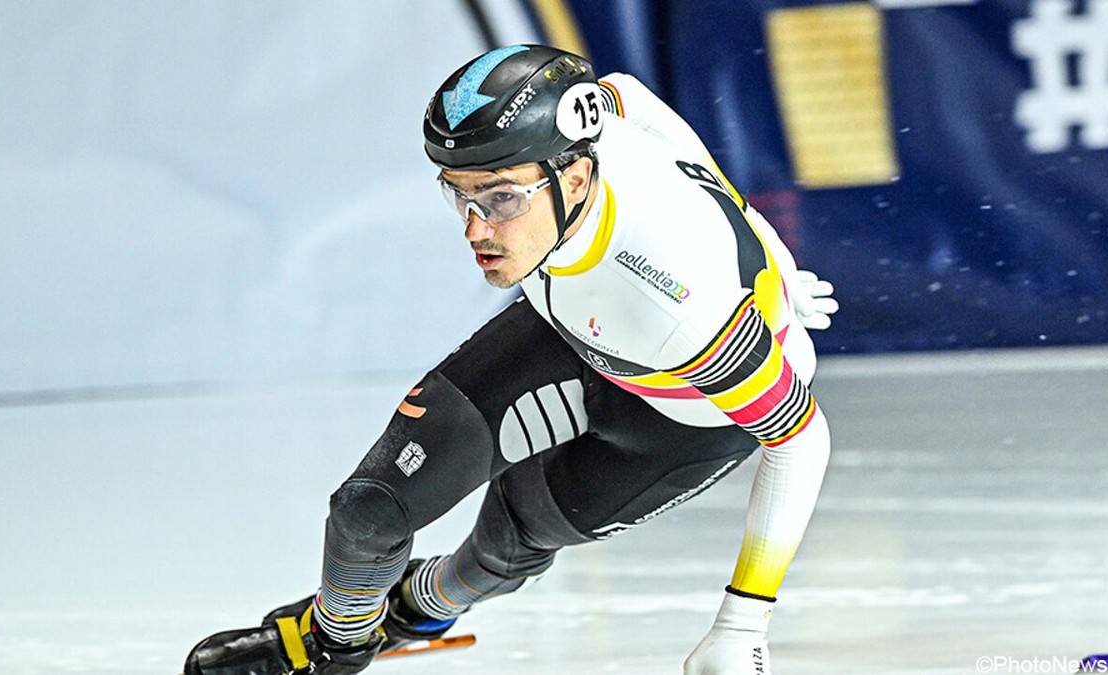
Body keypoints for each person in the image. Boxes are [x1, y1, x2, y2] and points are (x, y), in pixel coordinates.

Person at [184, 43, 838, 675]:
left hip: (680, 417)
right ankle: (337, 644)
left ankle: (424, 608)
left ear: (575, 178)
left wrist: (742, 623)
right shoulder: (593, 128)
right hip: (584, 332)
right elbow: (635, 103)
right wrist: (770, 252)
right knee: (367, 512)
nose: (476, 228)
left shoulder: (683, 306)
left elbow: (801, 440)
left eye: (500, 198)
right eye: (459, 194)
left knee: (506, 539)